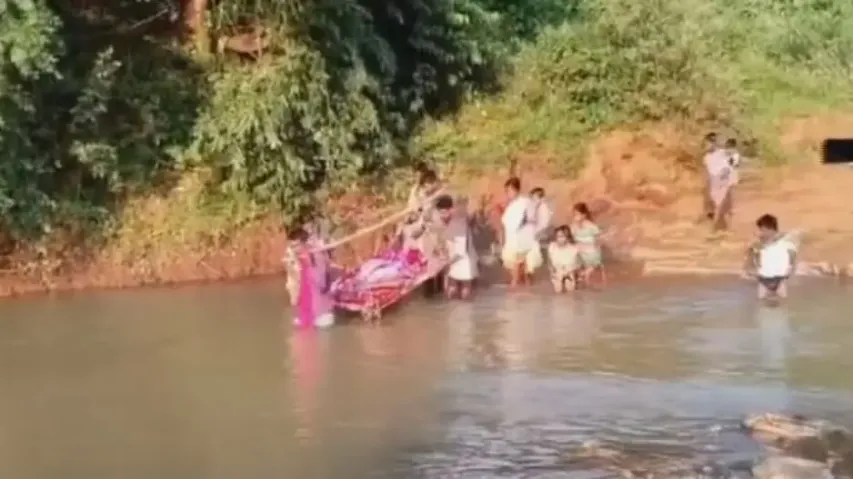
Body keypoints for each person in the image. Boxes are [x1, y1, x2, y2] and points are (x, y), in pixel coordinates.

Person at [499, 177, 542, 287]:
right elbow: (507, 224)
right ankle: (519, 295)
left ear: (516, 190)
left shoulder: (525, 202)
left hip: (523, 241)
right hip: (513, 241)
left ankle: (522, 293)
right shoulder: (511, 205)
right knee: (516, 272)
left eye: (509, 191)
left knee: (523, 274)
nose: (508, 194)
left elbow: (530, 220)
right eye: (506, 191)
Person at [289, 227, 335, 328]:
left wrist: (310, 262)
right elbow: (294, 295)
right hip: (306, 315)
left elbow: (322, 283)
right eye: (292, 247)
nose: (294, 250)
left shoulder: (316, 256)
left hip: (322, 317)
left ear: (304, 243)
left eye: (296, 246)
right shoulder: (298, 260)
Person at [744, 214, 797, 301]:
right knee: (763, 307)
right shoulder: (757, 245)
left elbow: (793, 259)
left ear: (770, 229)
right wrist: (750, 271)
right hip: (763, 279)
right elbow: (750, 259)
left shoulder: (785, 243)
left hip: (780, 280)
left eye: (762, 230)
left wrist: (791, 272)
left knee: (782, 307)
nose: (760, 233)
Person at [435, 195, 478, 299]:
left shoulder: (459, 223)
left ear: (451, 210)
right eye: (440, 213)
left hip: (465, 261)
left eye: (444, 212)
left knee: (465, 292)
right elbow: (444, 242)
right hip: (453, 260)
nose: (442, 216)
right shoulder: (446, 222)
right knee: (451, 291)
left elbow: (460, 251)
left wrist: (446, 264)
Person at [704, 137, 738, 231]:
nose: (706, 146)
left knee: (722, 206)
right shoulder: (707, 157)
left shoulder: (722, 153)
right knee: (718, 205)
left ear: (714, 144)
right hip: (714, 182)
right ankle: (721, 227)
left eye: (708, 144)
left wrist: (726, 171)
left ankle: (716, 228)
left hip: (725, 182)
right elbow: (708, 171)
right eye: (706, 144)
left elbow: (732, 159)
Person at [570, 202, 604, 287]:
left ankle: (584, 275)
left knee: (593, 263)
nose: (575, 217)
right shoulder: (573, 226)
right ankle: (580, 276)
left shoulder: (591, 226)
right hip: (579, 250)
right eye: (574, 214)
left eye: (577, 214)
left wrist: (597, 250)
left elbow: (598, 240)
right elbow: (571, 239)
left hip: (590, 251)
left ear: (583, 215)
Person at [548, 225, 581, 293]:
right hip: (557, 271)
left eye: (562, 236)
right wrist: (553, 272)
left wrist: (569, 271)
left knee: (570, 290)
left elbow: (578, 264)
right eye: (557, 236)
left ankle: (572, 281)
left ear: (567, 237)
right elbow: (549, 263)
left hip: (569, 271)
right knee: (558, 290)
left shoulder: (573, 248)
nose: (559, 239)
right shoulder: (551, 246)